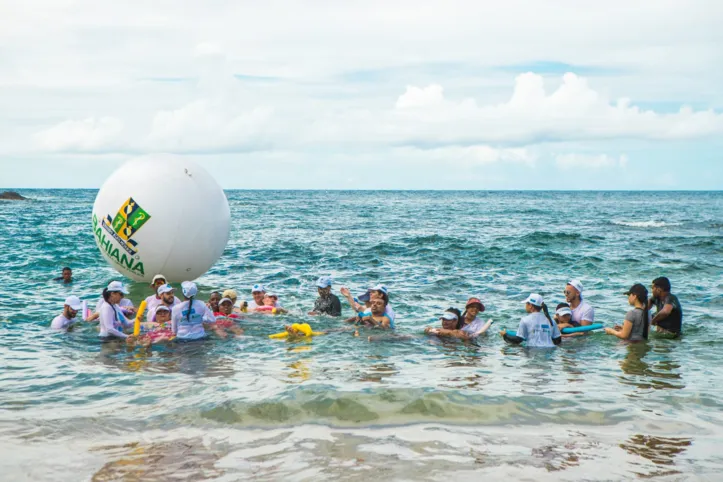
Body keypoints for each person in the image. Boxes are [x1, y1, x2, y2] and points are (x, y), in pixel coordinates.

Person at [425, 298, 492, 339]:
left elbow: (459, 334)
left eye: (477, 308)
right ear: (467, 308)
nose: (475, 309)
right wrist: (429, 329)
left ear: (455, 321)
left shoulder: (480, 323)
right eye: (472, 306)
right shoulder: (461, 319)